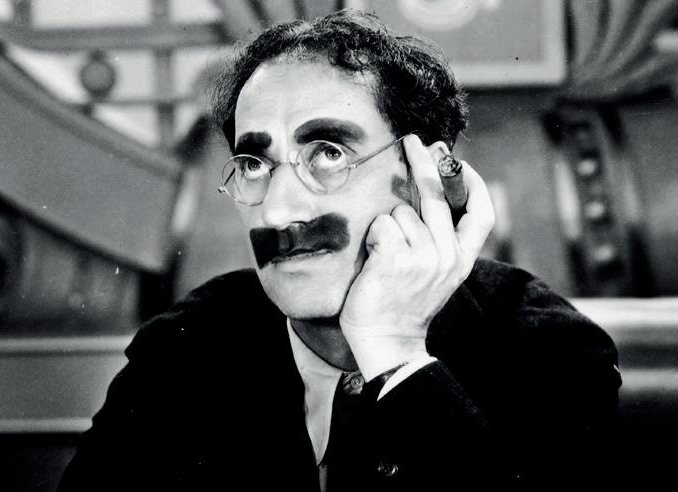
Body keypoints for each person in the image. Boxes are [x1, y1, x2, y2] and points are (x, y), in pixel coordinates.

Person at [59, 9, 621, 491]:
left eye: (328, 153)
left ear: (429, 176)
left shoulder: (547, 351)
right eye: (253, 165)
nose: (278, 211)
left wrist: (395, 355)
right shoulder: (186, 348)